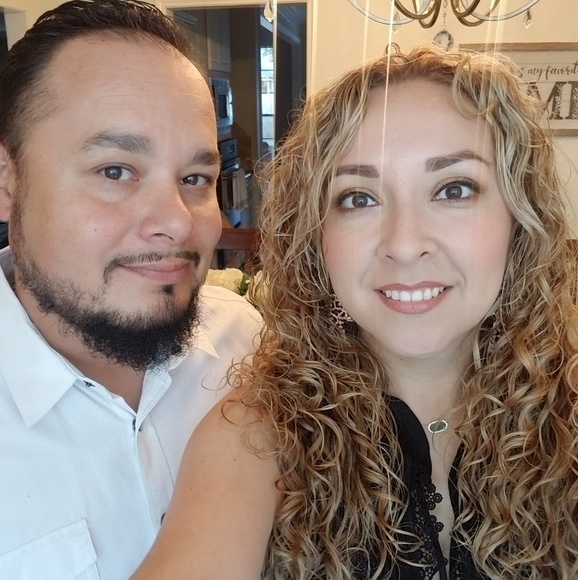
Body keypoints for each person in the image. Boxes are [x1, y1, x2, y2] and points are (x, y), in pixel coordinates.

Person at [132, 45, 578, 579]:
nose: (404, 245)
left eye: (454, 189)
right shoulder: (257, 437)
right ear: (317, 238)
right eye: (359, 198)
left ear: (518, 220)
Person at [0, 1, 261, 579]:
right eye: (115, 171)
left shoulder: (246, 343)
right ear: (7, 181)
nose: (177, 222)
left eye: (195, 179)